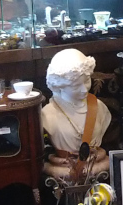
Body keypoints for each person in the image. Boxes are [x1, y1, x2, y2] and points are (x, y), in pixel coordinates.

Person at [41, 48, 111, 184]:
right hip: (65, 172)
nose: (84, 89)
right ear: (59, 86)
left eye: (87, 81)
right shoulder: (48, 114)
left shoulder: (100, 107)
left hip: (98, 170)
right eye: (75, 86)